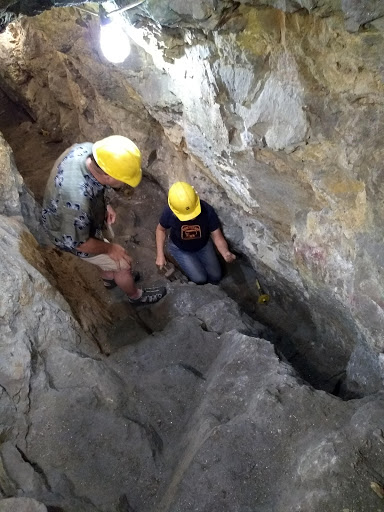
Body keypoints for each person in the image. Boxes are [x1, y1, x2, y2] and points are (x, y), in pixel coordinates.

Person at [42, 135, 166, 304]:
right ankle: (135, 296)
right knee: (123, 263)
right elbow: (77, 242)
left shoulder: (87, 151)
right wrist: (109, 248)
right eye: (123, 180)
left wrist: (104, 205)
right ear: (108, 176)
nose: (125, 184)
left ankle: (109, 278)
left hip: (75, 219)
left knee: (112, 262)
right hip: (67, 234)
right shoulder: (76, 201)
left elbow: (94, 189)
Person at [155, 181, 236, 284]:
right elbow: (160, 229)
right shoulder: (169, 212)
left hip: (203, 245)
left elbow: (217, 235)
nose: (192, 217)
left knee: (216, 276)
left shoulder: (206, 210)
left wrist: (225, 252)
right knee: (200, 279)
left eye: (194, 212)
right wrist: (160, 255)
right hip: (180, 248)